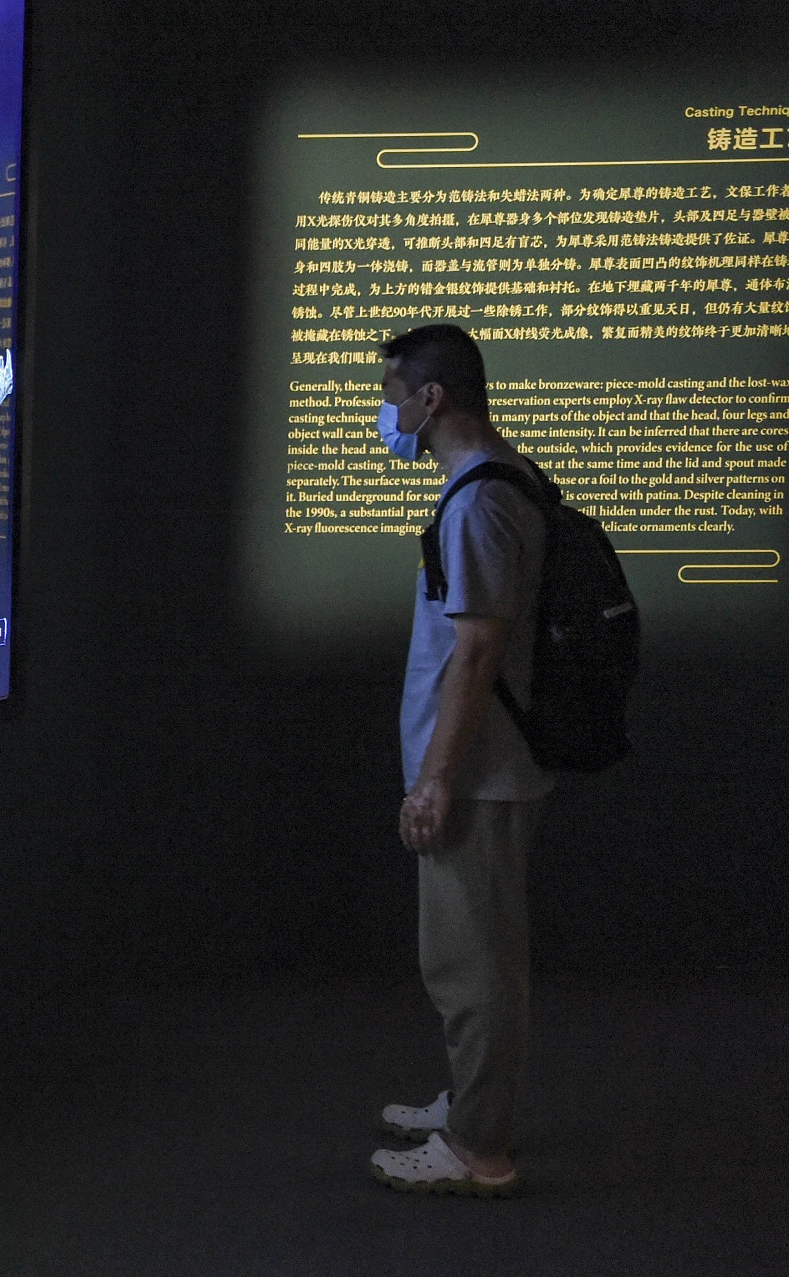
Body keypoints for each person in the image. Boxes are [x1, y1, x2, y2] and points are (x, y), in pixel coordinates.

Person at [366, 325, 552, 1198]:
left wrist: (435, 778)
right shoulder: (506, 478)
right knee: (482, 957)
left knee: (471, 964)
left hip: (475, 774)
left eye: (396, 394)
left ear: (431, 399)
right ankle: (473, 1109)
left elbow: (476, 654)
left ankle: (480, 1149)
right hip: (491, 769)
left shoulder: (476, 502)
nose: (389, 412)